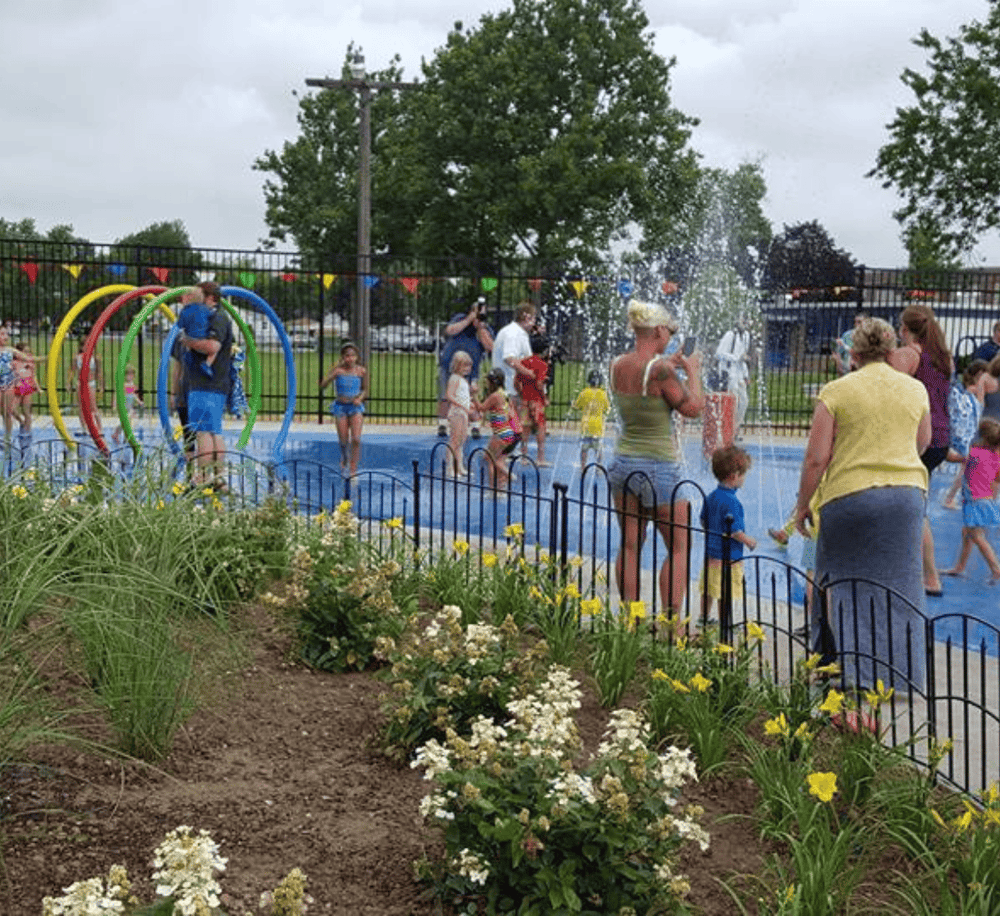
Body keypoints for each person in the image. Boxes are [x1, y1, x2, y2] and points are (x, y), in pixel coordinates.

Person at [794, 316, 931, 691]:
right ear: (890, 351)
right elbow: (921, 443)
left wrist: (802, 505)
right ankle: (899, 677)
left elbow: (816, 458)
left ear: (853, 353)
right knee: (901, 588)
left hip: (849, 497)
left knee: (836, 581)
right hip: (905, 498)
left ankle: (836, 669)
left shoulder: (837, 391)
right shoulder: (914, 390)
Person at [608, 299, 704, 612]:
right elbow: (692, 408)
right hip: (659, 466)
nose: (671, 337)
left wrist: (670, 363)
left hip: (622, 463)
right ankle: (672, 625)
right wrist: (694, 371)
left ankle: (630, 620)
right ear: (659, 331)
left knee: (630, 544)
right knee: (679, 546)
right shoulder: (661, 370)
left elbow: (648, 377)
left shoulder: (618, 364)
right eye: (670, 332)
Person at [888, 303, 952, 597]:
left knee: (911, 508)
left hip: (918, 438)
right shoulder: (942, 358)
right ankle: (924, 574)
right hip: (940, 437)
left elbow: (887, 392)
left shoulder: (908, 355)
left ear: (904, 330)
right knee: (913, 504)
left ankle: (925, 575)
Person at [177, 281, 234, 486]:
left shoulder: (217, 318)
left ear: (210, 297)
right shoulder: (215, 317)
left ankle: (203, 477)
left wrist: (187, 341)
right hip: (213, 385)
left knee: (203, 431)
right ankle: (218, 477)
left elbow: (212, 346)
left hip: (205, 384)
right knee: (214, 431)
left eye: (200, 295)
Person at [700, 445, 757, 626]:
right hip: (728, 557)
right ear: (734, 476)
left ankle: (704, 618)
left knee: (709, 589)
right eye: (744, 475)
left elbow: (703, 521)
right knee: (725, 592)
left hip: (711, 554)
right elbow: (735, 531)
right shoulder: (733, 502)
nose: (744, 479)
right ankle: (725, 624)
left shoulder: (711, 496)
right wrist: (749, 541)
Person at [941, 417, 1000, 584]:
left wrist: (939, 448)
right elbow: (997, 479)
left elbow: (953, 458)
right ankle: (960, 567)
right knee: (967, 533)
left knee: (977, 536)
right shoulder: (995, 457)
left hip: (974, 500)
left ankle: (996, 568)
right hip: (985, 499)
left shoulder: (974, 453)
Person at [437, 296, 494, 439]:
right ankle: (443, 423)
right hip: (449, 366)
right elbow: (450, 330)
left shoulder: (485, 328)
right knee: (445, 395)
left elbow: (490, 347)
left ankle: (475, 426)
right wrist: (469, 319)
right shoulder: (460, 318)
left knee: (471, 396)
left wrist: (480, 328)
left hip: (471, 369)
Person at [942, 359, 987, 510]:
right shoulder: (968, 391)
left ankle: (954, 497)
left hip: (968, 432)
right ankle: (952, 497)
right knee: (967, 465)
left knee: (968, 466)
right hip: (964, 434)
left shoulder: (970, 391)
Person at [320, 342, 367, 476]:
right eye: (347, 356)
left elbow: (365, 390)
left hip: (355, 407)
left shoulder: (361, 371)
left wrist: (360, 398)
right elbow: (323, 385)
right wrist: (330, 374)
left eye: (353, 356)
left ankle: (353, 467)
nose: (350, 358)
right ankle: (344, 457)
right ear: (342, 357)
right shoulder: (338, 371)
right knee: (343, 440)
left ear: (356, 357)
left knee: (356, 439)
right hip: (341, 407)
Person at [491, 302, 537, 434]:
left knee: (510, 426)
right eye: (533, 318)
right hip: (509, 388)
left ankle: (508, 452)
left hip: (511, 387)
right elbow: (510, 358)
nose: (534, 322)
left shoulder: (516, 332)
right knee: (508, 427)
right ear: (526, 317)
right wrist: (530, 373)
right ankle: (506, 453)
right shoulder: (513, 334)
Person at [480, 367, 521, 490]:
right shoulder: (505, 394)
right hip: (515, 432)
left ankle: (496, 485)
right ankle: (501, 487)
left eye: (487, 381)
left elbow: (481, 408)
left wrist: (473, 396)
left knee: (491, 459)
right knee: (499, 459)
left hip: (503, 432)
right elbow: (509, 412)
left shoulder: (495, 396)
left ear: (492, 382)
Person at [514, 333, 550, 466]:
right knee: (540, 428)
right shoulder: (542, 365)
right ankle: (540, 458)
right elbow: (540, 384)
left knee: (525, 429)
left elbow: (516, 382)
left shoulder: (523, 362)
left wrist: (521, 392)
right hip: (537, 401)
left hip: (525, 400)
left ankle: (524, 457)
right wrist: (544, 397)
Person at [443, 350, 479, 477]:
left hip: (463, 411)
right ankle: (450, 467)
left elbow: (463, 395)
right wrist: (464, 406)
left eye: (469, 366)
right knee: (455, 440)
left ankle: (460, 467)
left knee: (462, 440)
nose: (468, 369)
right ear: (457, 365)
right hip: (457, 412)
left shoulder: (463, 380)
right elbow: (450, 395)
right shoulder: (454, 378)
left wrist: (470, 402)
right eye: (465, 366)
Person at [714, 320, 751, 435]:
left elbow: (743, 356)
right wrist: (736, 358)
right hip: (729, 373)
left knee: (744, 401)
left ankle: (735, 428)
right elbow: (718, 353)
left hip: (739, 374)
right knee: (732, 401)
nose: (745, 323)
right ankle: (727, 430)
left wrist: (746, 375)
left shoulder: (746, 336)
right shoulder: (730, 335)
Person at [176, 284, 217, 378]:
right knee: (213, 351)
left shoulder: (185, 310)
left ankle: (188, 353)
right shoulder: (206, 309)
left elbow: (180, 324)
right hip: (202, 339)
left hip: (189, 339)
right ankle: (207, 364)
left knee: (182, 338)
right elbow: (212, 318)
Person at [573, 369, 611, 468]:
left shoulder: (584, 392)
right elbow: (607, 408)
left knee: (584, 449)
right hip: (598, 426)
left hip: (586, 425)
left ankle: (582, 466)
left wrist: (574, 404)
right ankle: (599, 466)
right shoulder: (603, 394)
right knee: (598, 449)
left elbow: (577, 406)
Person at [71, 341, 103, 435]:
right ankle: (83, 428)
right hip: (80, 384)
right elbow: (73, 370)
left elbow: (99, 372)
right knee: (81, 406)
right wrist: (69, 383)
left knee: (93, 407)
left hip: (90, 383)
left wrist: (101, 385)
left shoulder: (95, 358)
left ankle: (99, 428)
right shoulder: (77, 357)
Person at [11, 342, 41, 432]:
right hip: (17, 387)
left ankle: (28, 431)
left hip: (28, 387)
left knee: (27, 411)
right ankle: (21, 422)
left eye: (28, 352)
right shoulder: (14, 363)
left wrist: (38, 388)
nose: (27, 354)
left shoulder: (30, 362)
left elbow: (33, 376)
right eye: (24, 352)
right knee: (12, 409)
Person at [112, 365, 144, 445]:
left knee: (127, 423)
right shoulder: (124, 385)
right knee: (125, 422)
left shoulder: (133, 385)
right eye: (128, 374)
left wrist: (139, 401)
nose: (130, 376)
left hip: (130, 407)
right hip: (124, 406)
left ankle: (123, 436)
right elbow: (117, 394)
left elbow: (133, 395)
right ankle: (119, 435)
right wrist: (115, 403)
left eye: (132, 375)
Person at [832, 308, 869, 375]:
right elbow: (839, 352)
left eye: (859, 322)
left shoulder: (869, 336)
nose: (856, 324)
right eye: (855, 322)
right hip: (848, 366)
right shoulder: (847, 335)